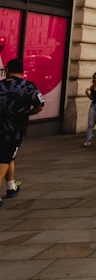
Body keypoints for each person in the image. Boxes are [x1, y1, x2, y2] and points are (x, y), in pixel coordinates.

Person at [0, 58, 45, 206]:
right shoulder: (28, 86)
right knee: (5, 158)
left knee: (9, 156)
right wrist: (27, 113)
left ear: (7, 70)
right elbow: (40, 105)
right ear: (22, 71)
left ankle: (11, 186)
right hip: (15, 129)